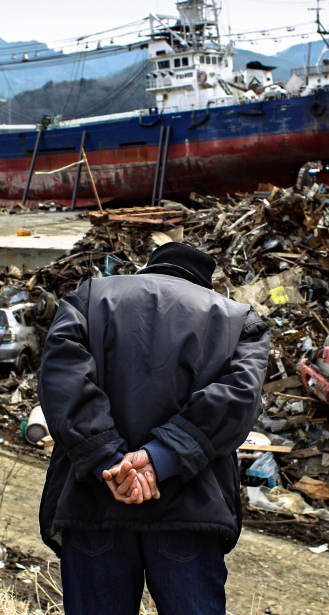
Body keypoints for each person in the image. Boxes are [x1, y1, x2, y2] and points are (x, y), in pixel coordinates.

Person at [38, 241, 270, 614]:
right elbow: (237, 399)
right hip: (190, 510)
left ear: (150, 268)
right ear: (204, 283)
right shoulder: (237, 319)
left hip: (93, 502)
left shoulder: (88, 298)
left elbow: (62, 381)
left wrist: (108, 460)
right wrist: (159, 459)